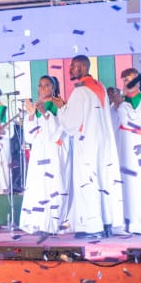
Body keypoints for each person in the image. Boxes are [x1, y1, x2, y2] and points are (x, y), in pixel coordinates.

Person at [52, 55, 123, 238]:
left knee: (87, 182)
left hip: (87, 144)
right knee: (102, 181)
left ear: (83, 67)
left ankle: (92, 227)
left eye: (73, 67)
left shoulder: (80, 91)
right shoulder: (99, 87)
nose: (70, 70)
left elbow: (72, 124)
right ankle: (106, 223)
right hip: (103, 143)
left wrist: (61, 108)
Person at [19, 76, 71, 235]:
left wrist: (44, 112)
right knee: (38, 186)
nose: (43, 88)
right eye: (40, 85)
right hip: (39, 152)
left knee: (54, 185)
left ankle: (54, 224)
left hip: (54, 151)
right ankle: (37, 223)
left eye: (47, 85)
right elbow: (29, 136)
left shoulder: (60, 105)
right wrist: (31, 115)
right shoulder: (36, 106)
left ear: (54, 87)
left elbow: (56, 132)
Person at [110, 68, 141, 235]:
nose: (128, 83)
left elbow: (135, 120)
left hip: (140, 149)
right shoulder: (118, 102)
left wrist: (120, 105)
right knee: (125, 185)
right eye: (125, 80)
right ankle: (126, 223)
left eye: (132, 80)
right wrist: (116, 105)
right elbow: (113, 122)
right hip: (123, 149)